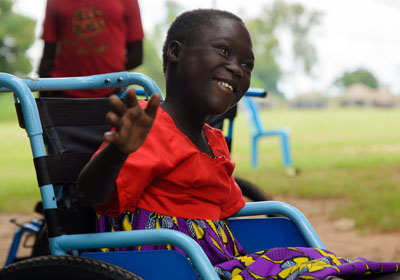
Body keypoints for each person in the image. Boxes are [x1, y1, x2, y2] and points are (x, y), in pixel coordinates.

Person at [76, 9, 400, 280]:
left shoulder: (213, 140)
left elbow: (229, 210)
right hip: (171, 263)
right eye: (223, 51)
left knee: (340, 267)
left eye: (247, 66)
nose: (237, 68)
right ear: (175, 52)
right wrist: (117, 151)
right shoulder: (150, 129)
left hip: (218, 261)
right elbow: (94, 196)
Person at [38, 0, 144, 98]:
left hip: (114, 93)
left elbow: (136, 56)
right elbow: (47, 56)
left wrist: (112, 78)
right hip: (62, 94)